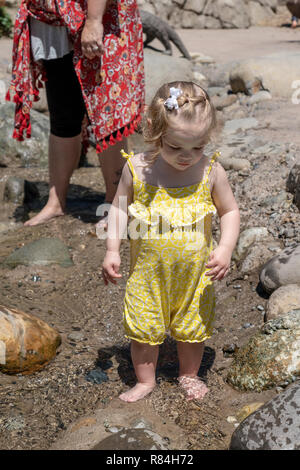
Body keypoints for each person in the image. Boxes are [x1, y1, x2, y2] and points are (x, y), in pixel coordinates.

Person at [102, 81, 240, 403]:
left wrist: (225, 247)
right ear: (154, 130)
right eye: (175, 147)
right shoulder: (138, 169)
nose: (187, 157)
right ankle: (145, 380)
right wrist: (112, 249)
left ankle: (188, 374)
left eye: (197, 147)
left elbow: (230, 211)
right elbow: (119, 211)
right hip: (147, 275)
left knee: (193, 328)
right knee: (144, 329)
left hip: (195, 276)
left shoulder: (210, 171)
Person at [7, 0, 144, 227]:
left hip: (98, 20)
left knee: (107, 116)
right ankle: (56, 202)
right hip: (51, 20)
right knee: (62, 114)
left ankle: (115, 203)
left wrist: (93, 21)